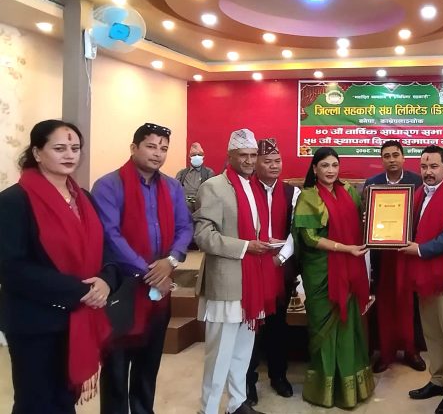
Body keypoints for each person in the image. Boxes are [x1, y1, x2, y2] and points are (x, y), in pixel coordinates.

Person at [0, 120, 119, 414]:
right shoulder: (14, 200)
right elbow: (11, 268)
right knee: (35, 403)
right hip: (35, 322)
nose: (69, 155)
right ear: (37, 153)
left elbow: (105, 249)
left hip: (78, 319)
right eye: (60, 148)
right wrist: (79, 291)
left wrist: (106, 281)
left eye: (75, 148)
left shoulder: (84, 198)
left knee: (65, 400)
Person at [92, 122, 193, 414]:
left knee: (148, 366)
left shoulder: (172, 187)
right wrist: (150, 272)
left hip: (158, 293)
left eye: (164, 148)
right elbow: (110, 235)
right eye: (151, 146)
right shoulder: (108, 185)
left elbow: (185, 227)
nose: (158, 153)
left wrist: (170, 261)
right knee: (115, 369)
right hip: (121, 289)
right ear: (134, 148)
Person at [194, 129, 273, 414]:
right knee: (219, 354)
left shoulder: (254, 187)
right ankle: (208, 409)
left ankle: (238, 403)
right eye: (243, 155)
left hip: (252, 281)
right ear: (230, 155)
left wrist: (265, 244)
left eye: (253, 155)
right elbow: (204, 236)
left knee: (242, 351)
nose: (249, 161)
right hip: (226, 281)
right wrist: (246, 246)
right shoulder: (214, 186)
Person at [292, 147, 375, 408]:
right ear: (314, 169)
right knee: (324, 330)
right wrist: (345, 248)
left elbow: (363, 221)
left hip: (350, 269)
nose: (330, 171)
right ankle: (325, 390)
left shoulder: (349, 191)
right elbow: (309, 238)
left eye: (335, 165)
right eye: (325, 165)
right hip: (321, 272)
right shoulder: (308, 197)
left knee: (350, 327)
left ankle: (352, 388)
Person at [402, 145, 443, 414]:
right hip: (424, 275)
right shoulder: (418, 194)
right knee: (432, 331)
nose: (428, 172)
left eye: (433, 166)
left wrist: (419, 249)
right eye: (423, 167)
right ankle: (438, 379)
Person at [245, 138, 301, 404]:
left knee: (278, 324)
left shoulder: (292, 192)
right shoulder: (245, 189)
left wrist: (280, 258)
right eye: (267, 161)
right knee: (251, 325)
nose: (274, 166)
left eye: (277, 161)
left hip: (280, 267)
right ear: (256, 163)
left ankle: (279, 376)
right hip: (250, 266)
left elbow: (295, 230)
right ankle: (248, 381)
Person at [363, 140, 425, 373]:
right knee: (385, 301)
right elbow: (366, 216)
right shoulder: (372, 184)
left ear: (403, 157)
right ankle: (386, 351)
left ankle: (411, 350)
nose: (391, 159)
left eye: (395, 155)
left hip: (409, 252)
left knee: (409, 302)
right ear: (382, 160)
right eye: (387, 156)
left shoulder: (417, 182)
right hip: (382, 253)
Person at [176, 142, 215, 212]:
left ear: (203, 156)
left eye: (199, 154)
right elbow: (175, 192)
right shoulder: (182, 173)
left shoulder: (209, 173)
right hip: (184, 208)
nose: (197, 157)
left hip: (201, 207)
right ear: (189, 156)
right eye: (194, 155)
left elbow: (211, 194)